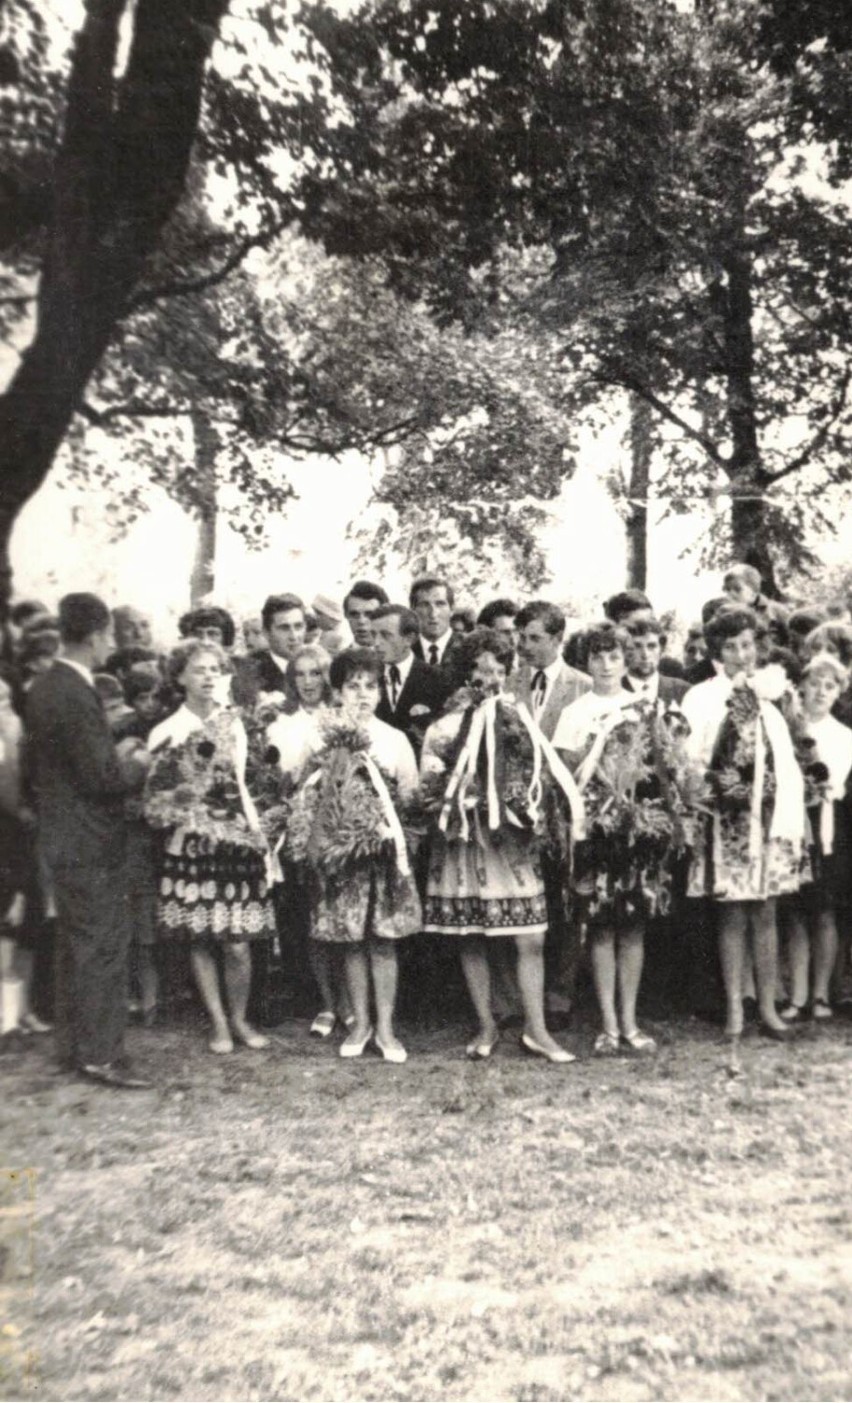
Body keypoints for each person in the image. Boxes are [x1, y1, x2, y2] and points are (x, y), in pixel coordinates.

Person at [422, 628, 582, 1064]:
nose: (489, 677)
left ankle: (537, 1029)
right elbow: (430, 782)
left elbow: (539, 776)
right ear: (466, 673)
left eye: (498, 668)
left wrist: (524, 808)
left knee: (531, 936)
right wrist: (457, 796)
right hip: (467, 841)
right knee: (473, 936)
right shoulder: (445, 725)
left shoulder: (518, 717)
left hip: (510, 842)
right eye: (480, 668)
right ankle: (487, 1025)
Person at [26, 593, 152, 1088]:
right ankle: (101, 1054)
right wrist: (136, 761)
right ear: (97, 634)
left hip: (63, 835)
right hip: (89, 840)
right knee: (101, 945)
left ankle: (76, 1048)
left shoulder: (44, 685)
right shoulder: (73, 691)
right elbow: (103, 778)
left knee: (77, 945)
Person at [554, 622, 689, 1054]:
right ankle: (608, 1025)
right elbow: (566, 775)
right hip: (595, 835)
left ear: (626, 659)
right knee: (599, 930)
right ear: (586, 661)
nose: (607, 664)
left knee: (632, 929)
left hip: (636, 836)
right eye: (597, 656)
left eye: (614, 656)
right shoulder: (576, 712)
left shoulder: (644, 708)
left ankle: (630, 1021)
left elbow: (662, 772)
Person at [283, 647, 420, 1063]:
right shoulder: (320, 736)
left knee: (382, 943)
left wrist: (382, 827)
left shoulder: (393, 739)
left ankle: (387, 1027)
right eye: (353, 686)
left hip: (381, 858)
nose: (362, 694)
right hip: (343, 862)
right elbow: (299, 788)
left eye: (371, 686)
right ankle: (359, 1022)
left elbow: (410, 799)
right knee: (351, 944)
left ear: (381, 692)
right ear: (338, 691)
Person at [680, 607, 806, 1042]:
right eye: (730, 646)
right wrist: (715, 786)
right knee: (732, 913)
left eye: (747, 645)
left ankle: (768, 1006)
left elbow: (789, 760)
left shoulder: (773, 695)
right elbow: (691, 758)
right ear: (717, 651)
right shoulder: (702, 697)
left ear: (759, 647)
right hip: (725, 822)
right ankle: (735, 1006)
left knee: (766, 911)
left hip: (767, 821)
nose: (740, 654)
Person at [145, 640, 275, 1054]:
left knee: (237, 941)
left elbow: (240, 785)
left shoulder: (232, 723)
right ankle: (218, 1022)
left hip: (234, 841)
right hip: (191, 845)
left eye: (214, 670)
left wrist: (257, 838)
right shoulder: (166, 731)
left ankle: (239, 1017)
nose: (207, 677)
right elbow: (158, 795)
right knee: (201, 936)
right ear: (180, 676)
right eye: (198, 669)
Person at [511, 601, 591, 1020]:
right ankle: (522, 997)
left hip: (564, 814)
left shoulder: (584, 687)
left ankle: (560, 993)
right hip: (519, 815)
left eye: (535, 639)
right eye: (521, 638)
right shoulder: (509, 684)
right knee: (525, 907)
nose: (525, 647)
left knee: (566, 906)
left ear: (558, 639)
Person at [267, 644, 348, 1036]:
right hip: (300, 829)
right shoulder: (280, 725)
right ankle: (325, 1002)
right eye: (299, 675)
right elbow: (279, 781)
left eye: (315, 673)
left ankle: (350, 1001)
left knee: (342, 916)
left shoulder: (342, 718)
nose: (308, 682)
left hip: (341, 827)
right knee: (311, 917)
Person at [780, 655, 852, 1022]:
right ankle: (797, 995)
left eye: (831, 685)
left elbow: (833, 784)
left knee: (824, 912)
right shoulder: (785, 726)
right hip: (791, 822)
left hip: (826, 825)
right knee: (793, 912)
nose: (822, 691)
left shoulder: (844, 736)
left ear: (839, 692)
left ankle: (822, 995)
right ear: (802, 685)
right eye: (816, 682)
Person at [372, 605, 446, 762]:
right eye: (374, 635)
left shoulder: (438, 680)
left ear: (409, 639)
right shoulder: (367, 678)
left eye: (385, 635)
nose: (377, 643)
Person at [233, 593, 307, 707]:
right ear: (266, 633)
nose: (294, 636)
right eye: (284, 628)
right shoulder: (249, 674)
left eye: (298, 626)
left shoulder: (319, 664)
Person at [623, 617, 688, 704]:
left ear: (661, 649)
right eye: (637, 646)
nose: (645, 655)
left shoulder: (683, 691)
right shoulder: (608, 690)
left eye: (651, 646)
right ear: (624, 651)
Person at [410, 575, 463, 673]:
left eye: (440, 604)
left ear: (452, 609)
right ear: (413, 611)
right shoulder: (405, 651)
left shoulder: (468, 647)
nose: (433, 614)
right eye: (425, 605)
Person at [343, 581, 389, 648]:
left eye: (370, 615)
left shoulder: (402, 657)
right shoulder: (334, 658)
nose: (361, 621)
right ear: (346, 615)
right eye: (354, 614)